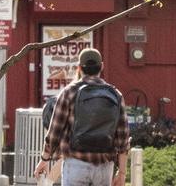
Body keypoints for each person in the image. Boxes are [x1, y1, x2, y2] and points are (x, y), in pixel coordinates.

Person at [35, 48, 129, 186]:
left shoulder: (69, 92)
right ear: (101, 66)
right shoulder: (115, 94)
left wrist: (44, 159)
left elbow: (54, 131)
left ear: (79, 67)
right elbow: (123, 138)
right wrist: (121, 173)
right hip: (104, 167)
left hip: (75, 165)